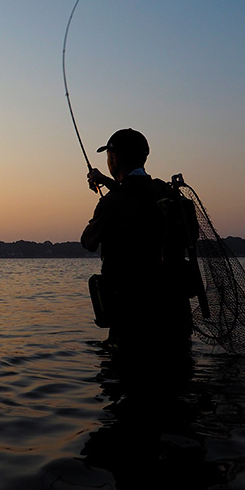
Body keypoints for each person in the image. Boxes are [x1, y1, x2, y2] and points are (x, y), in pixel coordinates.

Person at [81, 129, 193, 354]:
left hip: (132, 320)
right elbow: (140, 196)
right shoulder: (167, 193)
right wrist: (106, 181)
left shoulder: (112, 203)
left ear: (114, 157)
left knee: (129, 380)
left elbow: (88, 241)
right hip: (176, 316)